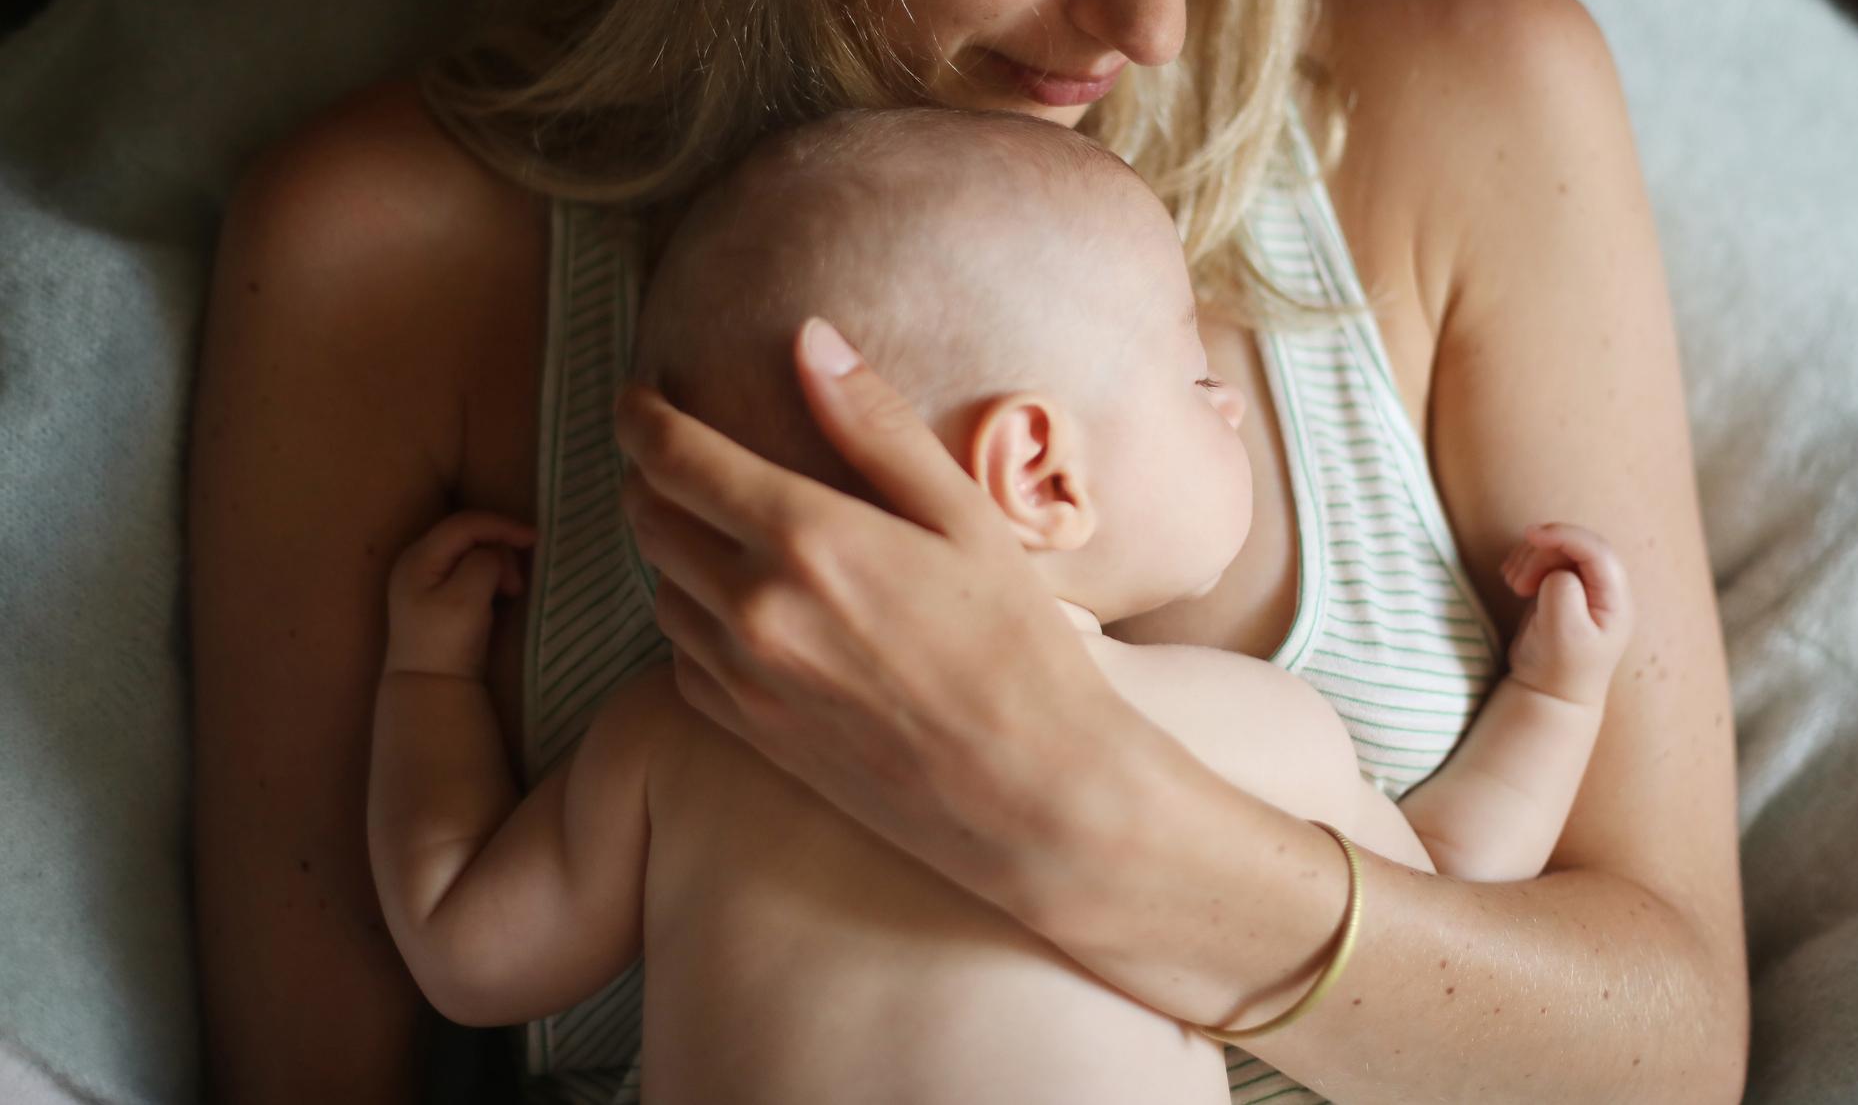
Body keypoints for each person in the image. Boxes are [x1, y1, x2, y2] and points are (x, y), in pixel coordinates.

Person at [186, 0, 1749, 1099]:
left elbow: (1663, 1057)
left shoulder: (1474, 90)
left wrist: (1076, 809)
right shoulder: (378, 261)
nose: (1154, 21)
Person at [365, 107, 1636, 1102]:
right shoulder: (1239, 728)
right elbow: (1449, 899)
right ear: (1038, 469)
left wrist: (425, 681)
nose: (1232, 403)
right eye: (1197, 375)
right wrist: (1555, 695)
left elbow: (466, 954)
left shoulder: (680, 733)